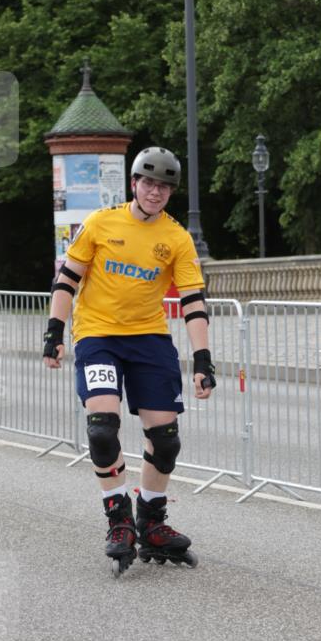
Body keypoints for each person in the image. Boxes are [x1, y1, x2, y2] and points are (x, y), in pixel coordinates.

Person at [42, 147, 216, 576]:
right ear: (134, 184)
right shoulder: (102, 223)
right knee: (103, 431)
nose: (155, 192)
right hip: (98, 336)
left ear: (171, 192)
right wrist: (54, 332)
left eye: (164, 186)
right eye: (149, 183)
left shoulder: (176, 238)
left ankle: (151, 521)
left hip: (149, 339)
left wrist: (203, 359)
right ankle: (119, 521)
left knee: (167, 439)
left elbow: (193, 301)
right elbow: (67, 280)